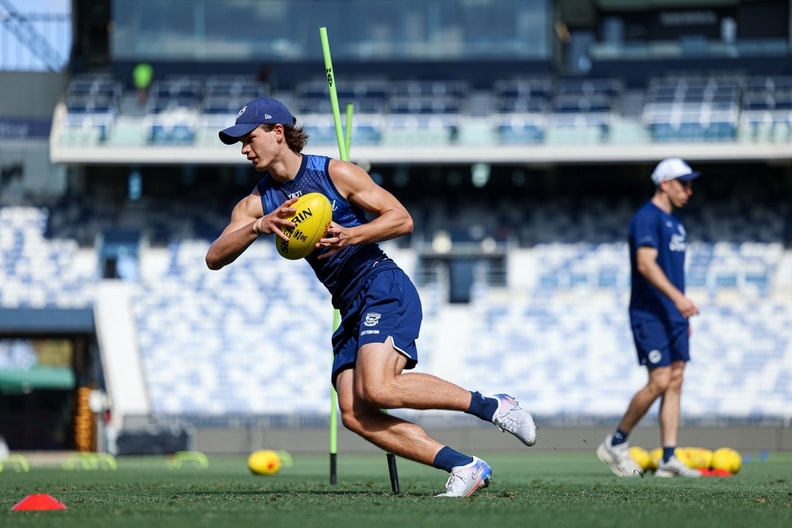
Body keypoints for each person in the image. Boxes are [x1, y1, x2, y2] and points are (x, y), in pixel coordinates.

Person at [205, 98, 537, 497]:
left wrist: (351, 235)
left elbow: (401, 218)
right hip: (348, 303)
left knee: (380, 389)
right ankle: (464, 466)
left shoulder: (335, 172)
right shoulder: (256, 203)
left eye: (249, 138)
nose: (243, 149)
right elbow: (214, 257)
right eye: (239, 142)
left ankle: (495, 406)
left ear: (278, 133)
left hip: (380, 283)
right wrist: (258, 225)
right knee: (355, 413)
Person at [597, 158, 702, 478]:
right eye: (683, 183)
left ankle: (669, 457)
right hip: (650, 313)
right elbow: (645, 264)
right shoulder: (647, 217)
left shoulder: (676, 222)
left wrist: (680, 312)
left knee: (676, 379)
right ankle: (615, 442)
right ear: (664, 184)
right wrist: (678, 299)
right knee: (659, 380)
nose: (689, 190)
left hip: (673, 315)